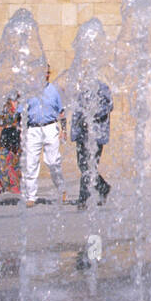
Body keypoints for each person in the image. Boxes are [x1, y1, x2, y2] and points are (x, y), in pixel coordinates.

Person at [21, 68, 67, 207]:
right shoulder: (28, 91)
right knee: (31, 163)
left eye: (47, 72)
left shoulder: (54, 90)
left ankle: (61, 188)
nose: (45, 74)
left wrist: (64, 130)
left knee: (53, 162)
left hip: (50, 127)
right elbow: (20, 112)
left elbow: (62, 112)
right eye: (42, 71)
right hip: (33, 129)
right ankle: (31, 196)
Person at [69, 78, 113, 210]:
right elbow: (76, 111)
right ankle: (103, 187)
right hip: (81, 134)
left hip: (95, 133)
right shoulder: (79, 88)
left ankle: (83, 199)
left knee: (89, 166)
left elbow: (109, 105)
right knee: (83, 165)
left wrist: (92, 115)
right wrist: (75, 132)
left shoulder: (101, 87)